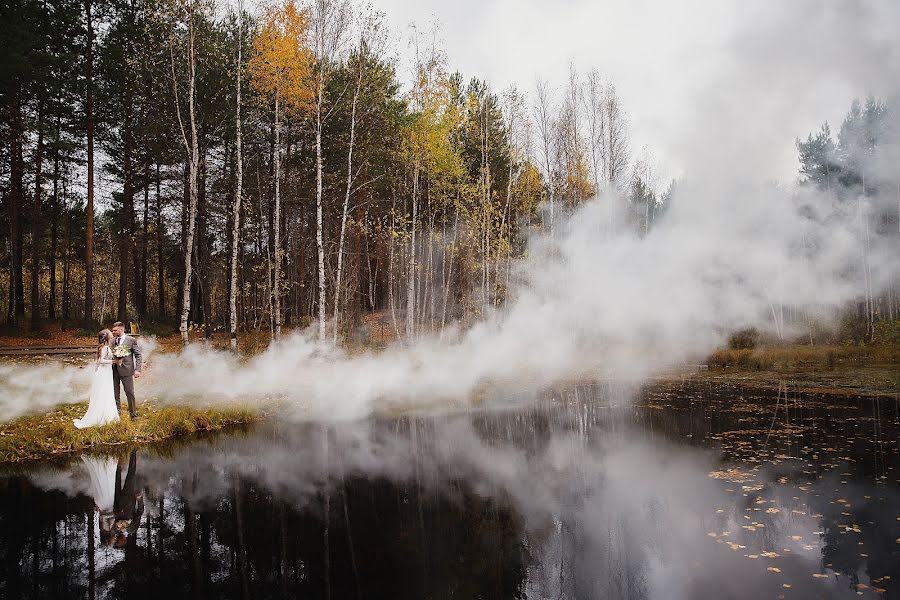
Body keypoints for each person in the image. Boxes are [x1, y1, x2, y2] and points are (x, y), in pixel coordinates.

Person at [73, 329, 121, 429]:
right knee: (103, 393)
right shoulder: (105, 348)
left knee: (106, 393)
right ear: (107, 336)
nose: (112, 335)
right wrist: (114, 362)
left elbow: (98, 362)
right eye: (110, 334)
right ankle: (102, 416)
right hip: (104, 373)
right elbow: (101, 361)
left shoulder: (105, 347)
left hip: (105, 372)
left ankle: (108, 414)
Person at [110, 321, 142, 420]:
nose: (113, 332)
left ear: (121, 329)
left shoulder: (131, 340)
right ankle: (117, 414)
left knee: (129, 392)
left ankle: (133, 415)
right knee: (115, 393)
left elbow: (138, 355)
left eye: (115, 330)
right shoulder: (112, 340)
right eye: (112, 330)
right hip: (114, 371)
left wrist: (137, 370)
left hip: (127, 371)